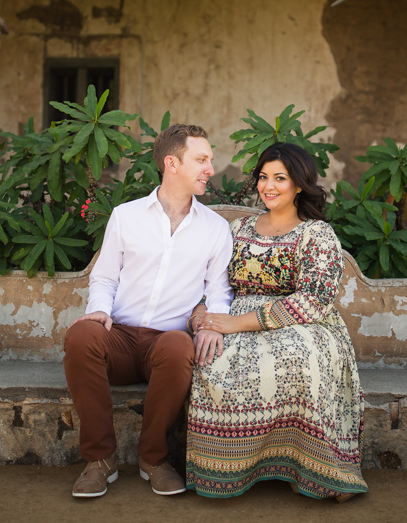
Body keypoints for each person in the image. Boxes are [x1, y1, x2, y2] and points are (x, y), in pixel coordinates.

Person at [185, 142, 368, 501]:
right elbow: (209, 281)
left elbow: (315, 299)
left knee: (300, 360)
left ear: (299, 184)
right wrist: (200, 314)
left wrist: (238, 324)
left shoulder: (316, 234)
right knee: (212, 361)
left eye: (280, 178)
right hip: (231, 315)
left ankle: (325, 470)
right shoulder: (238, 229)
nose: (268, 186)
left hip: (301, 323)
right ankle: (229, 468)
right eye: (263, 177)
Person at [63, 124, 232, 498]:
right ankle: (99, 460)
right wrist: (99, 312)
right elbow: (104, 277)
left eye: (210, 160)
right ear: (172, 163)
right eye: (201, 160)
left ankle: (153, 459)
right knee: (80, 335)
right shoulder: (126, 216)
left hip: (166, 345)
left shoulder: (216, 229)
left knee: (178, 346)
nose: (210, 169)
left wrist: (212, 325)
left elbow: (219, 290)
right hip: (119, 338)